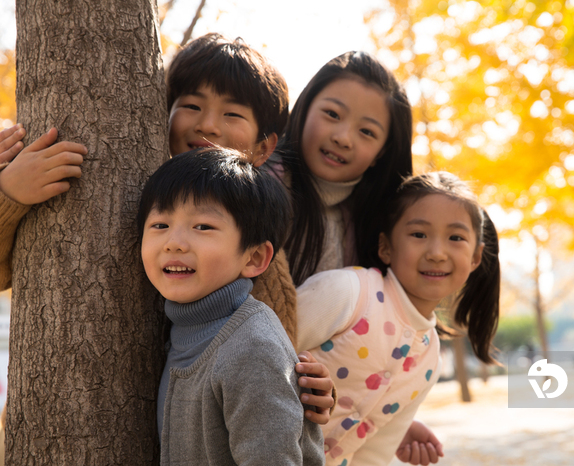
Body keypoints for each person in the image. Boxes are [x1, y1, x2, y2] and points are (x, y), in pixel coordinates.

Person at [0, 32, 334, 423]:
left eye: (233, 114)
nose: (208, 124)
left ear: (263, 148)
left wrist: (312, 393)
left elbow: (276, 358)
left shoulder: (253, 246)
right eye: (191, 105)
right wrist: (10, 193)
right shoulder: (125, 183)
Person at [295, 172, 501, 466]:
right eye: (419, 234)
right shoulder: (348, 293)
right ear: (386, 247)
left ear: (475, 258)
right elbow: (260, 352)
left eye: (456, 238)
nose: (437, 253)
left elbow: (373, 454)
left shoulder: (430, 361)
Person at [137, 147, 324, 464]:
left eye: (203, 227)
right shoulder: (184, 328)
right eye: (160, 225)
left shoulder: (251, 348)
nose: (174, 242)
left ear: (253, 258)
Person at [274, 50, 413, 286]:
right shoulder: (255, 186)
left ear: (380, 153)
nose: (343, 138)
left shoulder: (375, 229)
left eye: (367, 132)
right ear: (306, 107)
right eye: (332, 114)